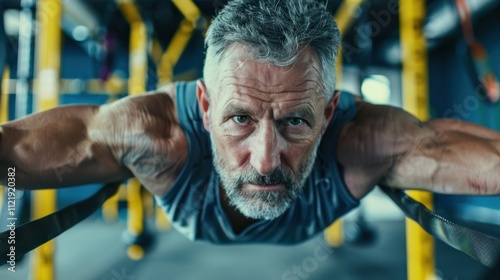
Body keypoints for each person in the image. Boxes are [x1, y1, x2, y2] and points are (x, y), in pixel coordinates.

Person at [1, 0, 499, 244]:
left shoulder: (364, 141)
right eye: (239, 118)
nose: (265, 159)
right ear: (202, 105)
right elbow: (13, 150)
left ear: (327, 114)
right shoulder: (152, 135)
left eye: (295, 123)